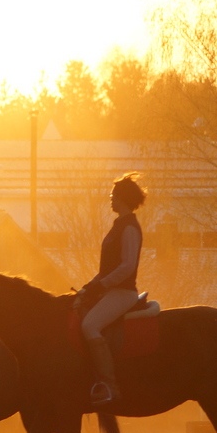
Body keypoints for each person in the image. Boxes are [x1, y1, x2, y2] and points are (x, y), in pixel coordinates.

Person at [75, 173, 146, 406]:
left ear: (123, 198)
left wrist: (100, 285)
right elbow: (107, 269)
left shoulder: (129, 228)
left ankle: (109, 386)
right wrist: (90, 286)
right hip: (109, 291)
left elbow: (127, 267)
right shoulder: (118, 226)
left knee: (90, 325)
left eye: (113, 195)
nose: (110, 199)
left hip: (123, 293)